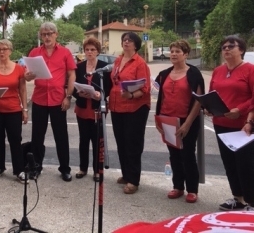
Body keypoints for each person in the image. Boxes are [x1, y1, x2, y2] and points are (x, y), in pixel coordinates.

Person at [207, 35, 254, 211]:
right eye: (224, 46)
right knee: (229, 164)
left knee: (246, 165)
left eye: (231, 46)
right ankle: (238, 198)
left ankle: (251, 202)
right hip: (221, 124)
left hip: (244, 125)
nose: (226, 49)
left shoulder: (250, 70)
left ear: (241, 49)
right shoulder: (218, 70)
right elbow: (212, 93)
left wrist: (241, 112)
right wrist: (208, 107)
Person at [25, 22, 76, 182]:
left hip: (58, 99)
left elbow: (72, 75)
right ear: (41, 36)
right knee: (37, 136)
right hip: (39, 98)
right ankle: (36, 166)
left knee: (61, 136)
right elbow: (27, 74)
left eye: (50, 33)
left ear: (56, 34)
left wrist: (68, 96)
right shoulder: (34, 52)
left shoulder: (65, 52)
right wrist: (28, 76)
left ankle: (65, 168)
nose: (47, 37)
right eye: (44, 34)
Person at [154, 40, 204, 203]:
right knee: (174, 155)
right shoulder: (164, 74)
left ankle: (192, 189)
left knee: (188, 155)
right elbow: (160, 98)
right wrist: (158, 120)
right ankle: (178, 187)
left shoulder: (194, 73)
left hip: (187, 120)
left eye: (178, 51)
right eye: (172, 51)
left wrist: (187, 123)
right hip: (168, 119)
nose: (174, 54)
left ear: (186, 54)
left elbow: (198, 100)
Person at [108, 32, 151, 194]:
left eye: (130, 40)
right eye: (124, 40)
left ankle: (134, 180)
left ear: (136, 45)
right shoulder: (118, 60)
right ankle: (126, 174)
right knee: (121, 142)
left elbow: (145, 89)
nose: (126, 42)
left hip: (135, 108)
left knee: (133, 144)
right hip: (117, 106)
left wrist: (132, 94)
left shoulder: (140, 64)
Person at [0, 39, 28, 183]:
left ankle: (19, 170)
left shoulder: (18, 68)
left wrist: (25, 109)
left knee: (15, 140)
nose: (1, 52)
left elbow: (22, 89)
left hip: (13, 109)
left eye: (4, 49)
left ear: (10, 50)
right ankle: (0, 166)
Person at [72, 37, 111, 182]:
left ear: (98, 51)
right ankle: (83, 168)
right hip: (82, 107)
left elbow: (109, 87)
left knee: (97, 140)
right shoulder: (80, 66)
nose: (89, 52)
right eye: (87, 49)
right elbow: (74, 85)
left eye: (93, 50)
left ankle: (97, 170)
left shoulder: (104, 67)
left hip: (97, 109)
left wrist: (100, 95)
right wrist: (78, 93)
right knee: (83, 140)